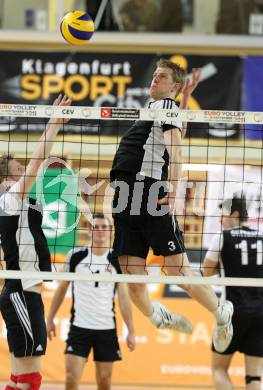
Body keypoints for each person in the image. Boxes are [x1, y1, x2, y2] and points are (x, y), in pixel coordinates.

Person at [110, 58, 233, 353]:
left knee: (179, 273)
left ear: (173, 87)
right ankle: (158, 317)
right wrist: (187, 97)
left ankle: (221, 312)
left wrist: (175, 187)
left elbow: (175, 146)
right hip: (125, 195)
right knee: (133, 282)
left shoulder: (167, 106)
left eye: (162, 76)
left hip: (150, 192)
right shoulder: (158, 110)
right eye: (154, 75)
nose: (154, 79)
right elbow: (178, 131)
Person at [0, 94, 72, 390]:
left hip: (24, 291)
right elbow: (37, 161)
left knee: (20, 378)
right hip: (20, 291)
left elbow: (39, 166)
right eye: (18, 173)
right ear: (6, 177)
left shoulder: (18, 202)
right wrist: (53, 124)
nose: (25, 176)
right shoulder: (10, 197)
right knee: (30, 379)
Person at [47, 213, 136, 390]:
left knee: (104, 382)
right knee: (71, 378)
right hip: (79, 327)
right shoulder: (76, 256)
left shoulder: (117, 259)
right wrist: (49, 319)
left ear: (111, 232)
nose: (100, 231)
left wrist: (131, 331)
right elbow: (61, 288)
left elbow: (124, 298)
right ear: (89, 231)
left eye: (105, 228)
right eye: (96, 227)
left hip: (106, 328)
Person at [203, 195, 263, 390]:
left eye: (223, 214)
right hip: (260, 313)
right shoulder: (262, 236)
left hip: (232, 313)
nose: (220, 219)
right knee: (254, 377)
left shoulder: (222, 237)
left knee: (219, 370)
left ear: (235, 214)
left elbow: (206, 272)